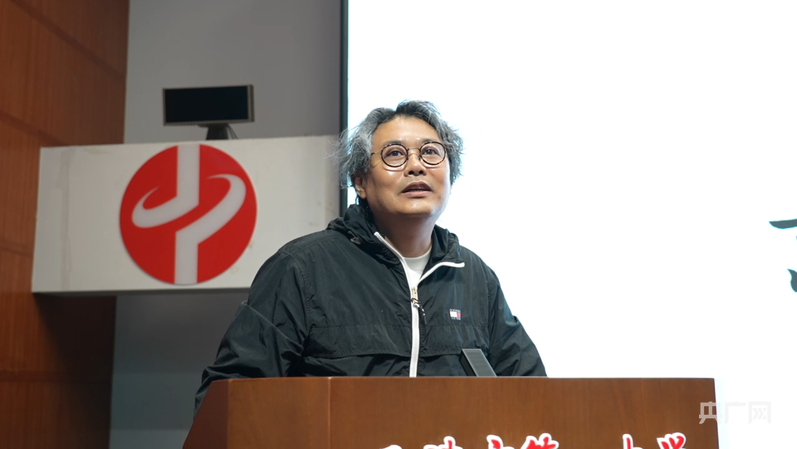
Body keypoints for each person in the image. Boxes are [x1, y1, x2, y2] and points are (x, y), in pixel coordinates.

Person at [194, 100, 545, 414]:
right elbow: (231, 397)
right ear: (360, 181)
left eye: (431, 153)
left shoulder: (473, 277)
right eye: (395, 154)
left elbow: (534, 396)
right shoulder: (302, 268)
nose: (416, 166)